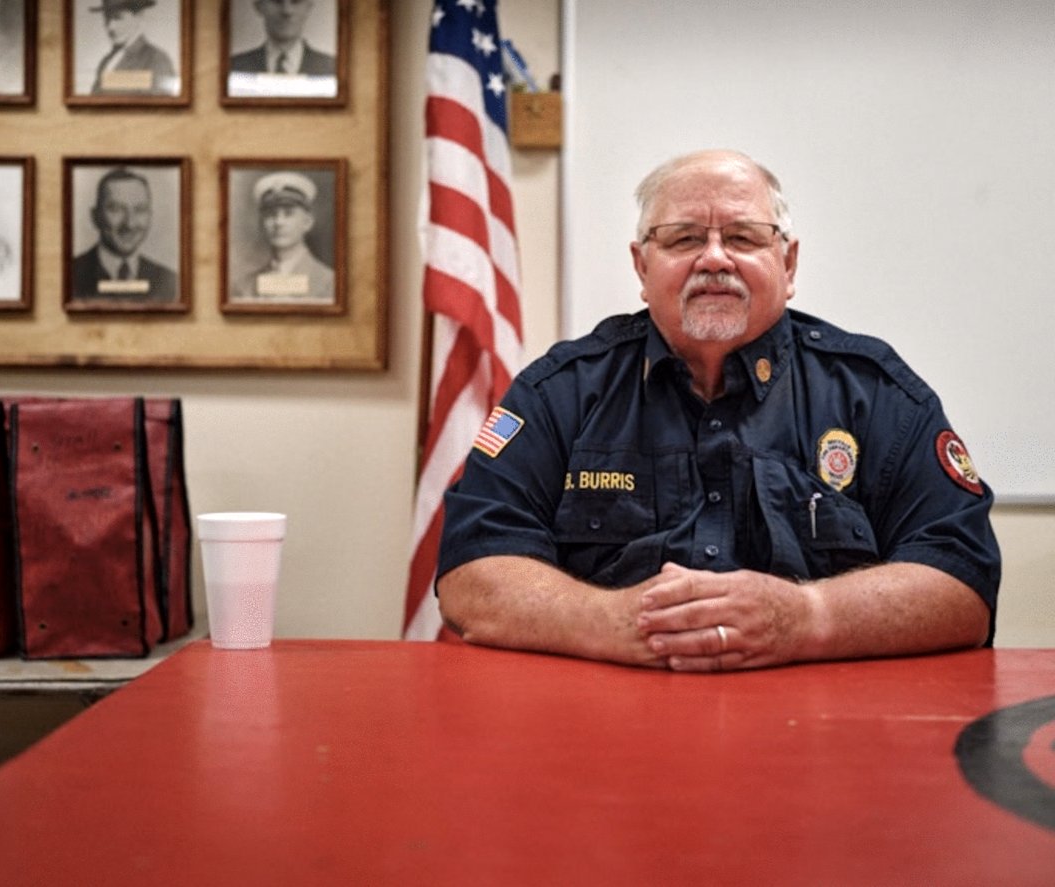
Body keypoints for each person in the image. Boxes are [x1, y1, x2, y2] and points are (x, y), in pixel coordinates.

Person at [436, 149, 1000, 673]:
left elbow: (961, 582)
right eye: (682, 239)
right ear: (641, 267)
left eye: (743, 237)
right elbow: (473, 574)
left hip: (824, 737)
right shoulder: (560, 393)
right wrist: (616, 624)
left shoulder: (875, 394)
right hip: (603, 727)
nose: (713, 258)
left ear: (789, 262)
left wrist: (807, 618)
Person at [72, 167, 177, 303]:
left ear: (150, 216)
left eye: (139, 210)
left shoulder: (169, 281)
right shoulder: (71, 275)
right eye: (116, 209)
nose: (129, 224)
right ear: (95, 216)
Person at [231, 171, 333, 304]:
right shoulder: (244, 287)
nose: (278, 222)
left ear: (307, 222)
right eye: (271, 214)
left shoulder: (329, 282)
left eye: (288, 214)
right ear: (262, 223)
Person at [88, 0, 177, 96]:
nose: (111, 27)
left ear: (138, 16)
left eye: (118, 18)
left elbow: (164, 105)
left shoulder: (157, 59)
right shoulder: (106, 61)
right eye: (107, 19)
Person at [230, 0, 336, 78]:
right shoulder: (234, 67)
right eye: (277, 1)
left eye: (296, 1)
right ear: (259, 6)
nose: (287, 11)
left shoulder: (332, 69)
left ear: (308, 8)